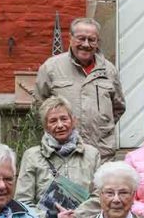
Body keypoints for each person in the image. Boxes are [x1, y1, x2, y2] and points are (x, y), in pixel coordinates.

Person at [35, 17, 126, 162]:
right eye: (81, 38)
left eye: (92, 39)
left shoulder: (109, 70)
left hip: (102, 153)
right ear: (70, 39)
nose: (86, 44)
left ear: (98, 42)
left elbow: (118, 107)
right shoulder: (51, 68)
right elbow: (40, 105)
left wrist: (101, 126)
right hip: (62, 152)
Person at [15, 95, 101, 218]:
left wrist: (76, 216)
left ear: (73, 121)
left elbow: (100, 196)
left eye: (64, 119)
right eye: (53, 121)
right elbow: (22, 203)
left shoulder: (92, 154)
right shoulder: (32, 156)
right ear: (45, 126)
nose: (60, 125)